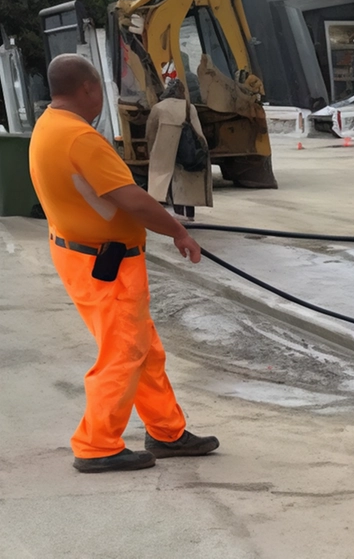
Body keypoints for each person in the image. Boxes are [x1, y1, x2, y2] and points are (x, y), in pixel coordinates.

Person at [28, 54, 219, 474]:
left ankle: (167, 431)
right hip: (106, 263)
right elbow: (131, 198)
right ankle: (97, 444)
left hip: (81, 254)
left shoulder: (47, 127)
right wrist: (179, 232)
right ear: (87, 89)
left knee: (143, 349)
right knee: (123, 352)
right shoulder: (80, 138)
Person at [146, 78, 212, 221]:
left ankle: (177, 212)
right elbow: (198, 132)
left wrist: (152, 150)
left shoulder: (159, 107)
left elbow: (150, 133)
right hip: (187, 149)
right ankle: (189, 214)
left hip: (165, 150)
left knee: (168, 179)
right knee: (187, 181)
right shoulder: (190, 107)